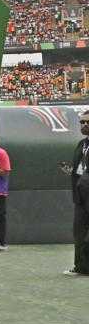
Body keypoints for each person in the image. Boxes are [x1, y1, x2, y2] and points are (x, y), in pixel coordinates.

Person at [61, 113, 89, 276]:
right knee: (79, 231)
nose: (84, 124)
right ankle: (80, 266)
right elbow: (81, 168)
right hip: (81, 194)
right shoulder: (81, 144)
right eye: (82, 122)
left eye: (87, 122)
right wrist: (71, 172)